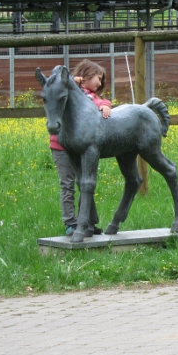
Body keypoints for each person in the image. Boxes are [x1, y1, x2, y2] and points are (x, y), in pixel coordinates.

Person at [49, 60, 113, 236]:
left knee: (85, 182)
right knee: (68, 184)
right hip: (61, 146)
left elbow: (97, 103)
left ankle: (86, 222)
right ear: (86, 75)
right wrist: (71, 81)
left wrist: (106, 104)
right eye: (98, 77)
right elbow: (56, 81)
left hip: (79, 146)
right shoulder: (68, 89)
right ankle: (71, 222)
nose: (100, 82)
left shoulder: (93, 96)